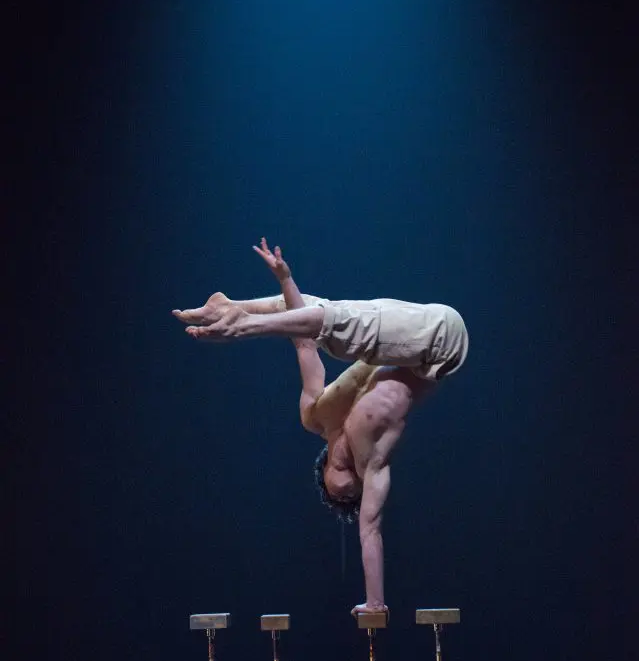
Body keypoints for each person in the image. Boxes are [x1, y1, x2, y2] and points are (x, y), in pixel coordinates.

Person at [172, 239, 468, 615]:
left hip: (405, 333)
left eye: (337, 497)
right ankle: (241, 325)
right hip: (442, 346)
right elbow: (370, 531)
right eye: (350, 498)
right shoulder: (373, 460)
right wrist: (376, 603)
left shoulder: (317, 416)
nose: (345, 495)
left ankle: (231, 309)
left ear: (324, 470)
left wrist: (285, 278)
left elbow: (303, 347)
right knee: (337, 335)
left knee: (319, 321)